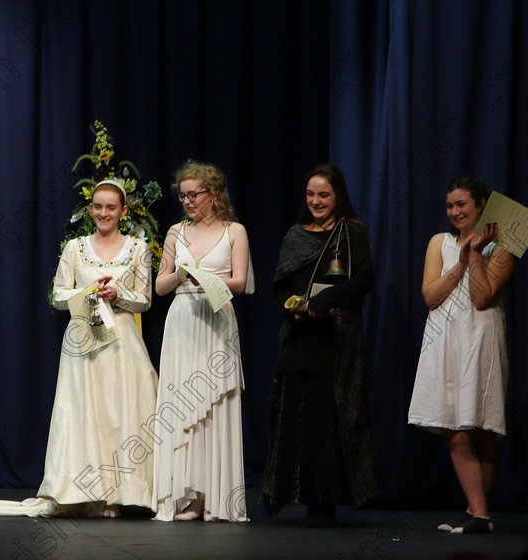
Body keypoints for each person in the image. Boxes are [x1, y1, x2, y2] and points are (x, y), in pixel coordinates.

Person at [0, 179, 158, 517]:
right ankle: (88, 494)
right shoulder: (74, 247)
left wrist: (118, 295)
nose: (103, 213)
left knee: (120, 413)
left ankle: (124, 494)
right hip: (84, 339)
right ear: (91, 208)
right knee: (85, 415)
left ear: (123, 211)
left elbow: (145, 300)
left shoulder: (138, 248)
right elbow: (58, 296)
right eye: (98, 206)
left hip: (122, 341)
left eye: (111, 207)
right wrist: (89, 293)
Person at [263, 163, 377, 528]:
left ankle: (323, 502)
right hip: (298, 341)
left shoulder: (351, 232)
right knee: (294, 419)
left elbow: (363, 279)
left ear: (338, 196)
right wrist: (291, 308)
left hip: (335, 342)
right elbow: (280, 285)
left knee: (329, 422)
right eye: (311, 194)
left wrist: (326, 301)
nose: (316, 201)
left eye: (323, 195)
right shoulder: (295, 235)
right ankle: (285, 494)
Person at [407, 174, 515, 534]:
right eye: (450, 205)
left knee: (479, 427)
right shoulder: (439, 242)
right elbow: (430, 295)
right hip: (444, 337)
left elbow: (482, 296)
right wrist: (462, 259)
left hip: (480, 336)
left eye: (462, 204)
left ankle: (478, 513)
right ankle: (477, 511)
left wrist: (477, 257)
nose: (454, 211)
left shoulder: (503, 245)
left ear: (481, 205)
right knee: (454, 427)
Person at [152, 161, 252, 522]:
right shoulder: (176, 232)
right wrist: (181, 273)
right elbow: (160, 286)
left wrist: (208, 277)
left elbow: (242, 281)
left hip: (216, 316)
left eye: (194, 194)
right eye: (183, 196)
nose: (188, 202)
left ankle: (216, 499)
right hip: (182, 320)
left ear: (213, 194)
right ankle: (188, 499)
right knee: (183, 406)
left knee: (214, 405)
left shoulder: (234, 231)